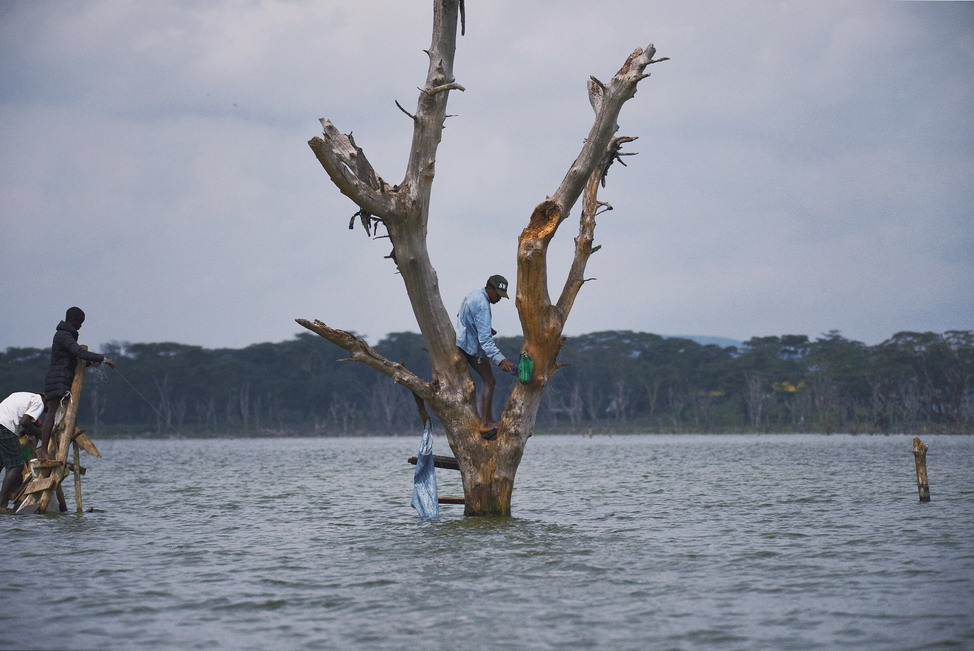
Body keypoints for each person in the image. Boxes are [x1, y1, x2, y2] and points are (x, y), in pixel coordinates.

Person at [38, 307, 115, 459]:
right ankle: (43, 451)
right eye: (80, 322)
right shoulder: (63, 335)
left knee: (56, 416)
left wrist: (89, 363)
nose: (81, 325)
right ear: (72, 320)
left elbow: (73, 361)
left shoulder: (67, 336)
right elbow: (79, 353)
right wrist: (103, 359)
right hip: (57, 380)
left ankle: (50, 449)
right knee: (52, 414)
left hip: (62, 380)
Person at [456, 275, 516, 439]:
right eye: (497, 294)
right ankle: (485, 424)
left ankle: (488, 420)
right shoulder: (483, 305)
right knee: (490, 380)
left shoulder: (474, 294)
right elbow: (485, 341)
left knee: (489, 380)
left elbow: (463, 317)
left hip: (463, 339)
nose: (499, 299)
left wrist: (487, 328)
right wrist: (500, 359)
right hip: (470, 346)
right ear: (489, 288)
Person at [0, 392, 45, 511]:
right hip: (5, 426)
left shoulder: (21, 396)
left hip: (2, 424)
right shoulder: (39, 401)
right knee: (17, 465)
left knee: (2, 463)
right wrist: (41, 434)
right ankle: (2, 505)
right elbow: (25, 422)